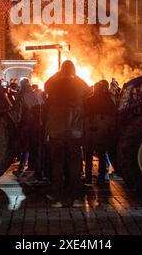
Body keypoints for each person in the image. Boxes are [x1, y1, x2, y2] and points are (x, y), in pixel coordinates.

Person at [44, 60, 90, 208]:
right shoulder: (78, 86)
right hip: (74, 134)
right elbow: (88, 89)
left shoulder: (54, 85)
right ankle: (76, 198)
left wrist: (58, 74)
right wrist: (74, 77)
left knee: (57, 167)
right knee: (75, 167)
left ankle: (57, 198)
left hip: (56, 133)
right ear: (74, 71)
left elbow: (46, 85)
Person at [84, 80, 116, 185]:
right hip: (103, 130)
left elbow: (83, 115)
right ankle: (101, 176)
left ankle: (88, 176)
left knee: (88, 153)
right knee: (102, 153)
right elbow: (113, 115)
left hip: (90, 129)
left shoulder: (88, 101)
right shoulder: (109, 101)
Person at [14, 77, 42, 179]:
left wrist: (17, 123)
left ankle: (23, 167)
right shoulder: (36, 94)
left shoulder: (22, 95)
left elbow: (19, 112)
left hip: (27, 125)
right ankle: (32, 167)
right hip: (37, 125)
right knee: (34, 146)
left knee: (26, 147)